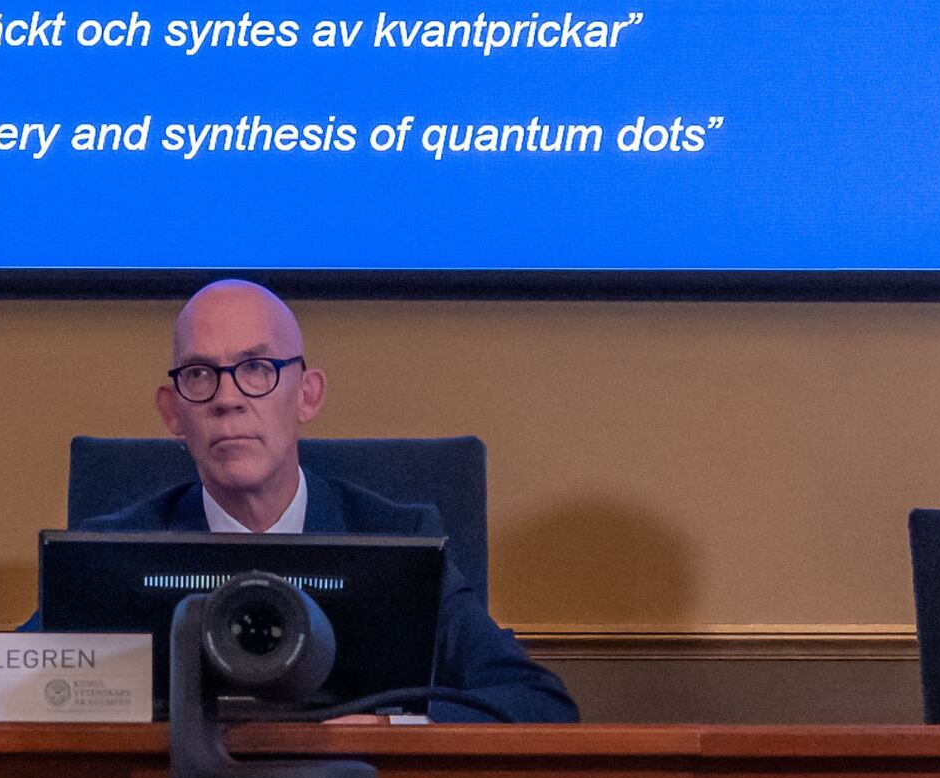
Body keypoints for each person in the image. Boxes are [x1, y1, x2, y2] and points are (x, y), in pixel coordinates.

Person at [59, 278, 574, 720]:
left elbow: (538, 701)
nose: (227, 398)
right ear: (173, 413)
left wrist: (389, 732)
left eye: (256, 368)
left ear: (307, 394)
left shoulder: (398, 541)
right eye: (199, 374)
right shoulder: (115, 551)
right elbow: (13, 690)